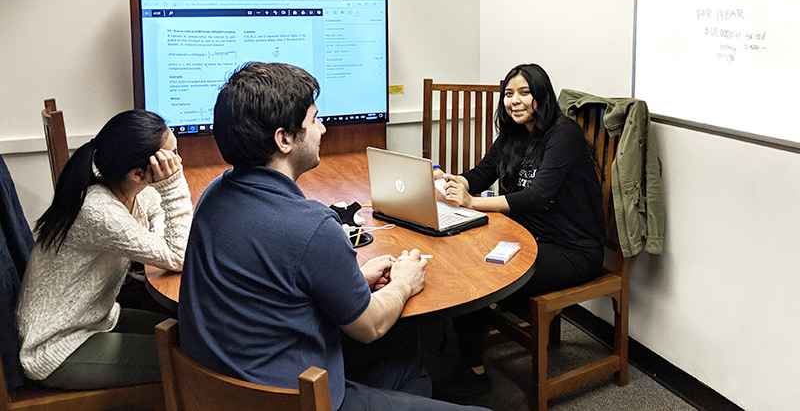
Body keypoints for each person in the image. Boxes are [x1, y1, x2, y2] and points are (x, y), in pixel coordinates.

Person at [178, 62, 488, 411]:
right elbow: (369, 326)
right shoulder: (312, 227)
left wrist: (351, 281)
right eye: (315, 119)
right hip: (295, 400)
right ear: (284, 139)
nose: (322, 129)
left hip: (218, 391)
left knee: (410, 371)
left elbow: (277, 280)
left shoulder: (214, 194)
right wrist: (404, 282)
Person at [437, 63, 604, 399]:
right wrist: (456, 182)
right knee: (462, 258)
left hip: (573, 250)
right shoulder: (513, 134)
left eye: (524, 92)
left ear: (541, 96)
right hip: (526, 239)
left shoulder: (563, 134)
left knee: (478, 277)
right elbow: (484, 171)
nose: (515, 101)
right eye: (509, 94)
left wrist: (471, 203)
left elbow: (537, 194)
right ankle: (465, 353)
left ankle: (473, 370)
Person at [16, 109, 192, 389]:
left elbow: (159, 215)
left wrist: (159, 241)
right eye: (169, 158)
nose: (177, 163)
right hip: (57, 348)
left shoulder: (128, 190)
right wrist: (172, 187)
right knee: (190, 362)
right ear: (138, 173)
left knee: (195, 337)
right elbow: (178, 255)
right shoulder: (99, 210)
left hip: (98, 319)